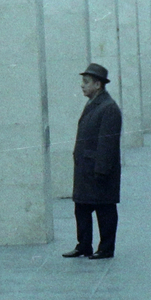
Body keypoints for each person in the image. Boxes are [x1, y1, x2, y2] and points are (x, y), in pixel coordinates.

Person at [64, 63, 122, 259]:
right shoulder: (94, 104)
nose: (82, 86)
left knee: (104, 209)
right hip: (85, 168)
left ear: (98, 85)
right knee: (82, 207)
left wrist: (102, 171)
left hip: (98, 170)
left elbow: (108, 143)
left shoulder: (109, 108)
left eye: (86, 82)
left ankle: (106, 248)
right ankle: (84, 245)